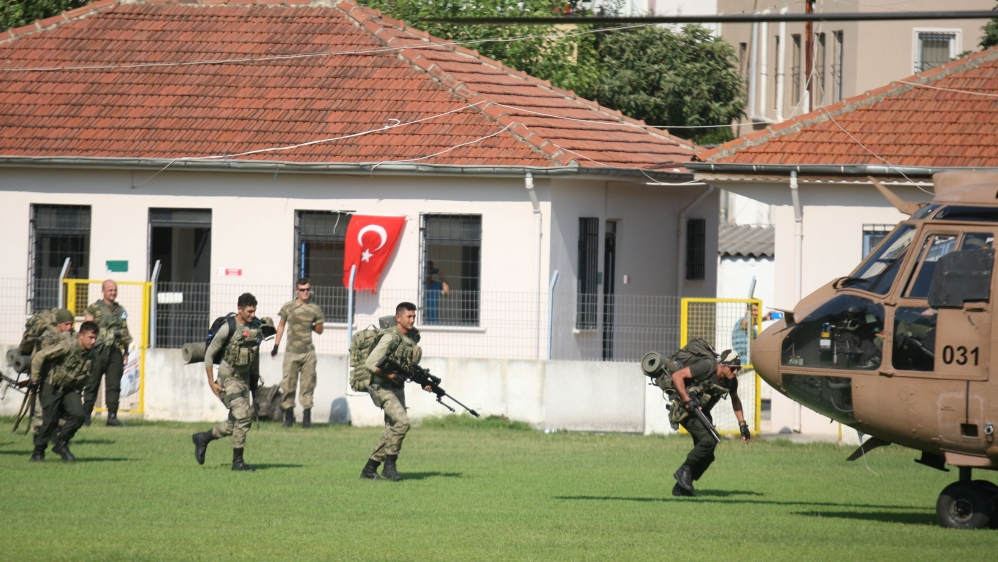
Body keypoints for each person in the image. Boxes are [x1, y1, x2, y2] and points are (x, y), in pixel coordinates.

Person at [359, 302, 432, 481]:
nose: (412, 320)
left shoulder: (412, 338)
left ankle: (370, 468)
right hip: (382, 387)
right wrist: (389, 374)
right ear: (398, 318)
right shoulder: (390, 337)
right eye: (409, 316)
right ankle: (389, 466)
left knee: (392, 428)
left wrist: (424, 382)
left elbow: (408, 367)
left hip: (398, 388)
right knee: (402, 423)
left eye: (414, 316)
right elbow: (370, 362)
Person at [192, 293, 264, 471]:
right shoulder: (228, 328)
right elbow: (209, 354)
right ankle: (237, 462)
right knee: (243, 416)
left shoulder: (256, 327)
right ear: (239, 309)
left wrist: (255, 384)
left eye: (254, 311)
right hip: (227, 377)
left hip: (245, 379)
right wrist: (211, 382)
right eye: (249, 311)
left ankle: (203, 438)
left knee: (234, 423)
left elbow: (255, 356)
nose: (252, 314)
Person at [671, 349, 751, 497]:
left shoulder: (731, 381)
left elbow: (735, 399)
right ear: (723, 365)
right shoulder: (706, 367)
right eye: (733, 368)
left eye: (737, 369)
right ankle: (684, 470)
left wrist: (743, 425)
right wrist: (687, 400)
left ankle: (680, 488)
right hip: (686, 410)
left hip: (702, 413)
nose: (735, 372)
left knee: (707, 455)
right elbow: (677, 376)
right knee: (709, 441)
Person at [28, 321, 98, 462]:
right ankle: (38, 452)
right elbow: (39, 356)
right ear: (81, 336)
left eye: (95, 338)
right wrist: (34, 380)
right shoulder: (68, 346)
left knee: (78, 415)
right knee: (50, 421)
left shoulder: (91, 355)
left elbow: (85, 376)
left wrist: (77, 396)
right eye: (90, 337)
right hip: (51, 384)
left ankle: (61, 443)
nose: (93, 341)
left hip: (69, 388)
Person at [271, 278, 324, 428]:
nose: (305, 292)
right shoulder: (288, 307)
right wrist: (276, 346)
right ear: (297, 291)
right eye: (302, 290)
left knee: (308, 385)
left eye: (307, 289)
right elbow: (281, 326)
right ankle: (288, 418)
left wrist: (312, 326)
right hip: (291, 353)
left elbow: (320, 330)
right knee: (288, 385)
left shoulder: (315, 308)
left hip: (308, 353)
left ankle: (307, 419)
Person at [83, 279, 132, 427]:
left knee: (114, 384)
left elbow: (124, 331)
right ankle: (85, 417)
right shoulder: (94, 308)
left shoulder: (121, 310)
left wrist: (126, 351)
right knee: (92, 383)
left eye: (115, 290)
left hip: (115, 351)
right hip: (97, 351)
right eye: (110, 290)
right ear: (103, 291)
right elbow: (87, 328)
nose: (113, 292)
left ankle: (112, 416)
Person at [31, 309, 76, 437]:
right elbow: (40, 356)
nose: (69, 327)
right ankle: (38, 435)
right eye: (66, 324)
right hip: (46, 378)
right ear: (59, 324)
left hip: (62, 379)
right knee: (42, 410)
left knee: (62, 409)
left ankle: (57, 434)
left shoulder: (72, 335)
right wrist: (34, 380)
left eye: (71, 324)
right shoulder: (49, 335)